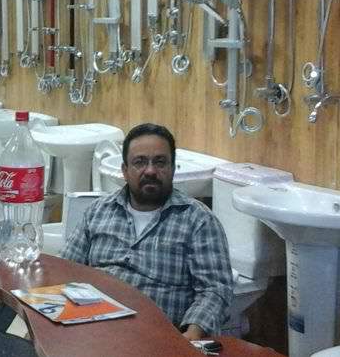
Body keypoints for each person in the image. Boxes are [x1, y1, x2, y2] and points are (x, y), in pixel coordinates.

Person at [61, 123, 234, 340]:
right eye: (140, 162)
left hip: (157, 339)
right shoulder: (99, 211)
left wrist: (192, 334)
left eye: (160, 162)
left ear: (173, 168)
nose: (150, 171)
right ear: (125, 170)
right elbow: (65, 269)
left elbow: (215, 290)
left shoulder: (198, 221)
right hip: (89, 330)